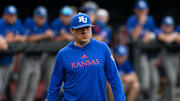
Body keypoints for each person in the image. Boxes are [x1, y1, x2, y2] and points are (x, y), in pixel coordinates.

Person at [47, 13, 125, 101]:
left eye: (87, 27)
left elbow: (115, 79)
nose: (85, 32)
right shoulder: (63, 54)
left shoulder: (103, 48)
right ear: (72, 30)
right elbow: (54, 86)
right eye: (80, 28)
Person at [14, 6, 54, 101]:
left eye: (43, 17)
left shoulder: (45, 25)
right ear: (35, 16)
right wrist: (44, 36)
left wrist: (48, 35)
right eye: (40, 17)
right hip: (26, 58)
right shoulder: (29, 22)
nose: (42, 20)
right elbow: (27, 38)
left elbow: (52, 35)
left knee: (33, 89)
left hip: (38, 60)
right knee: (21, 87)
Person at [126, 0, 159, 101]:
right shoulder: (132, 19)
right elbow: (133, 36)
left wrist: (150, 35)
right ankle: (141, 96)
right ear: (135, 10)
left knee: (155, 80)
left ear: (147, 10)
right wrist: (140, 23)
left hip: (151, 54)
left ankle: (151, 98)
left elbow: (155, 35)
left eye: (144, 10)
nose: (142, 12)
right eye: (140, 10)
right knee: (143, 81)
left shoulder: (150, 19)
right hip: (137, 54)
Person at [0, 5, 26, 100]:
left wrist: (13, 38)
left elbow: (24, 37)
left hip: (9, 62)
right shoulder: (1, 23)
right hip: (0, 63)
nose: (12, 17)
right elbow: (2, 44)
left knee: (3, 88)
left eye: (14, 15)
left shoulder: (17, 23)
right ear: (4, 15)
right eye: (10, 15)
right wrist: (7, 39)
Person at [156, 16, 179, 101]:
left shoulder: (176, 32)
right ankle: (171, 98)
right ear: (162, 26)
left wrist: (175, 36)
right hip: (165, 56)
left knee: (171, 80)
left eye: (170, 26)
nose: (168, 28)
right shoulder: (158, 31)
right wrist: (174, 36)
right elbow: (167, 39)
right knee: (172, 79)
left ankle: (165, 98)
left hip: (175, 57)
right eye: (166, 25)